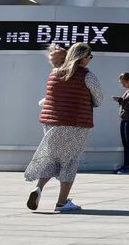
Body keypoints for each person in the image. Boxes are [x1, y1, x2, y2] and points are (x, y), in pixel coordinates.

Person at [23, 42, 100, 213]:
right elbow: (99, 100)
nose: (90, 60)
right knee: (69, 162)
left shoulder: (54, 73)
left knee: (52, 158)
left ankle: (39, 188)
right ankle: (62, 202)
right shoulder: (87, 76)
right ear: (84, 57)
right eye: (90, 56)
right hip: (76, 123)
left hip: (50, 122)